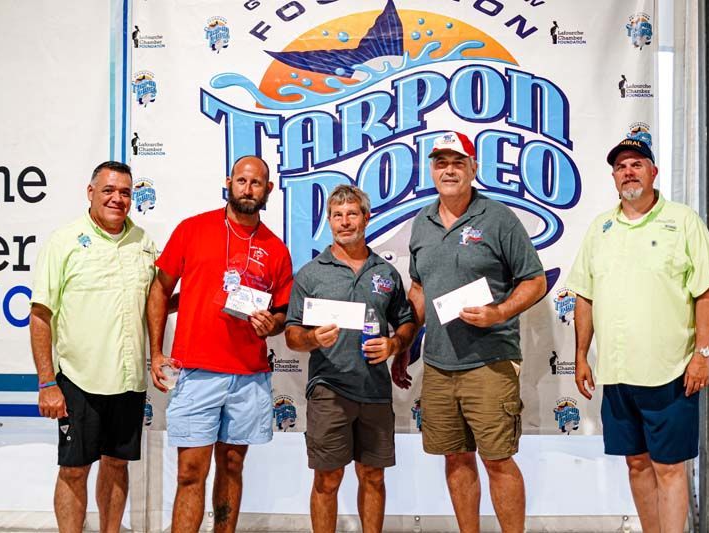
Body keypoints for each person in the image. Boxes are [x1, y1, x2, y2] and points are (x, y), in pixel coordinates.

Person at [567, 138, 709, 533]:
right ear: (614, 178)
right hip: (617, 373)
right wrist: (582, 355)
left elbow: (706, 290)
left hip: (670, 370)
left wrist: (702, 353)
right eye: (621, 167)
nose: (629, 172)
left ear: (654, 172)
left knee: (669, 466)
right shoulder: (600, 228)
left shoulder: (683, 221)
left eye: (637, 164)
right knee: (635, 462)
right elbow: (583, 295)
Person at [394, 132, 546, 533]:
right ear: (431, 169)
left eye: (457, 162)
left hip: (488, 362)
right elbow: (420, 290)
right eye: (441, 162)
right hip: (440, 366)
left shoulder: (497, 218)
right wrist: (403, 346)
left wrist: (499, 313)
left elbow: (534, 281)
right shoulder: (421, 223)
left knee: (497, 459)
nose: (448, 170)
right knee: (456, 457)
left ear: (473, 168)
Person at [146, 155, 292, 533]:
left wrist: (269, 325)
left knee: (232, 467)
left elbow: (281, 315)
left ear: (268, 190)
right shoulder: (192, 229)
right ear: (229, 183)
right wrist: (157, 352)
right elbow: (160, 290)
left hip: (247, 378)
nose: (247, 188)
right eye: (241, 181)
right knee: (190, 473)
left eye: (256, 183)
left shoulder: (276, 249)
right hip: (196, 374)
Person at [29, 161, 155, 533]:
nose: (118, 199)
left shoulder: (144, 243)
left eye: (126, 192)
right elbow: (40, 315)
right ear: (90, 193)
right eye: (109, 191)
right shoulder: (64, 241)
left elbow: (157, 301)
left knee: (116, 465)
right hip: (78, 380)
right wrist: (47, 383)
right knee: (74, 469)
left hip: (129, 380)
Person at [284, 185, 415, 533]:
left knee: (372, 476)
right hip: (329, 389)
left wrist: (394, 345)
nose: (345, 222)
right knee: (327, 479)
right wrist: (311, 338)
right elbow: (291, 334)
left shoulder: (385, 273)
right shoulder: (311, 273)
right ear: (329, 221)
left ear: (366, 217)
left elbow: (407, 322)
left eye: (352, 214)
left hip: (374, 390)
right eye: (337, 216)